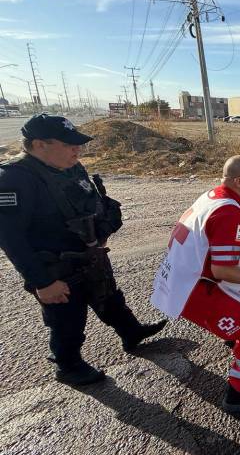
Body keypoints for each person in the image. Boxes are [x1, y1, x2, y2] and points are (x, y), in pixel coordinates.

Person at [0, 114, 166, 386]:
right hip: (55, 268)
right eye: (68, 144)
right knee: (67, 321)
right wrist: (43, 282)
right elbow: (11, 239)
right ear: (39, 145)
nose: (76, 150)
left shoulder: (71, 167)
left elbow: (87, 203)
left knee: (110, 299)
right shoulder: (14, 179)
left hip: (89, 255)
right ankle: (68, 366)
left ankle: (131, 332)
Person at [151, 155, 240, 413]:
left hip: (184, 279)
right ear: (239, 181)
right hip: (197, 289)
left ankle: (233, 341)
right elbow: (222, 269)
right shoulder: (228, 212)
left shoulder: (213, 197)